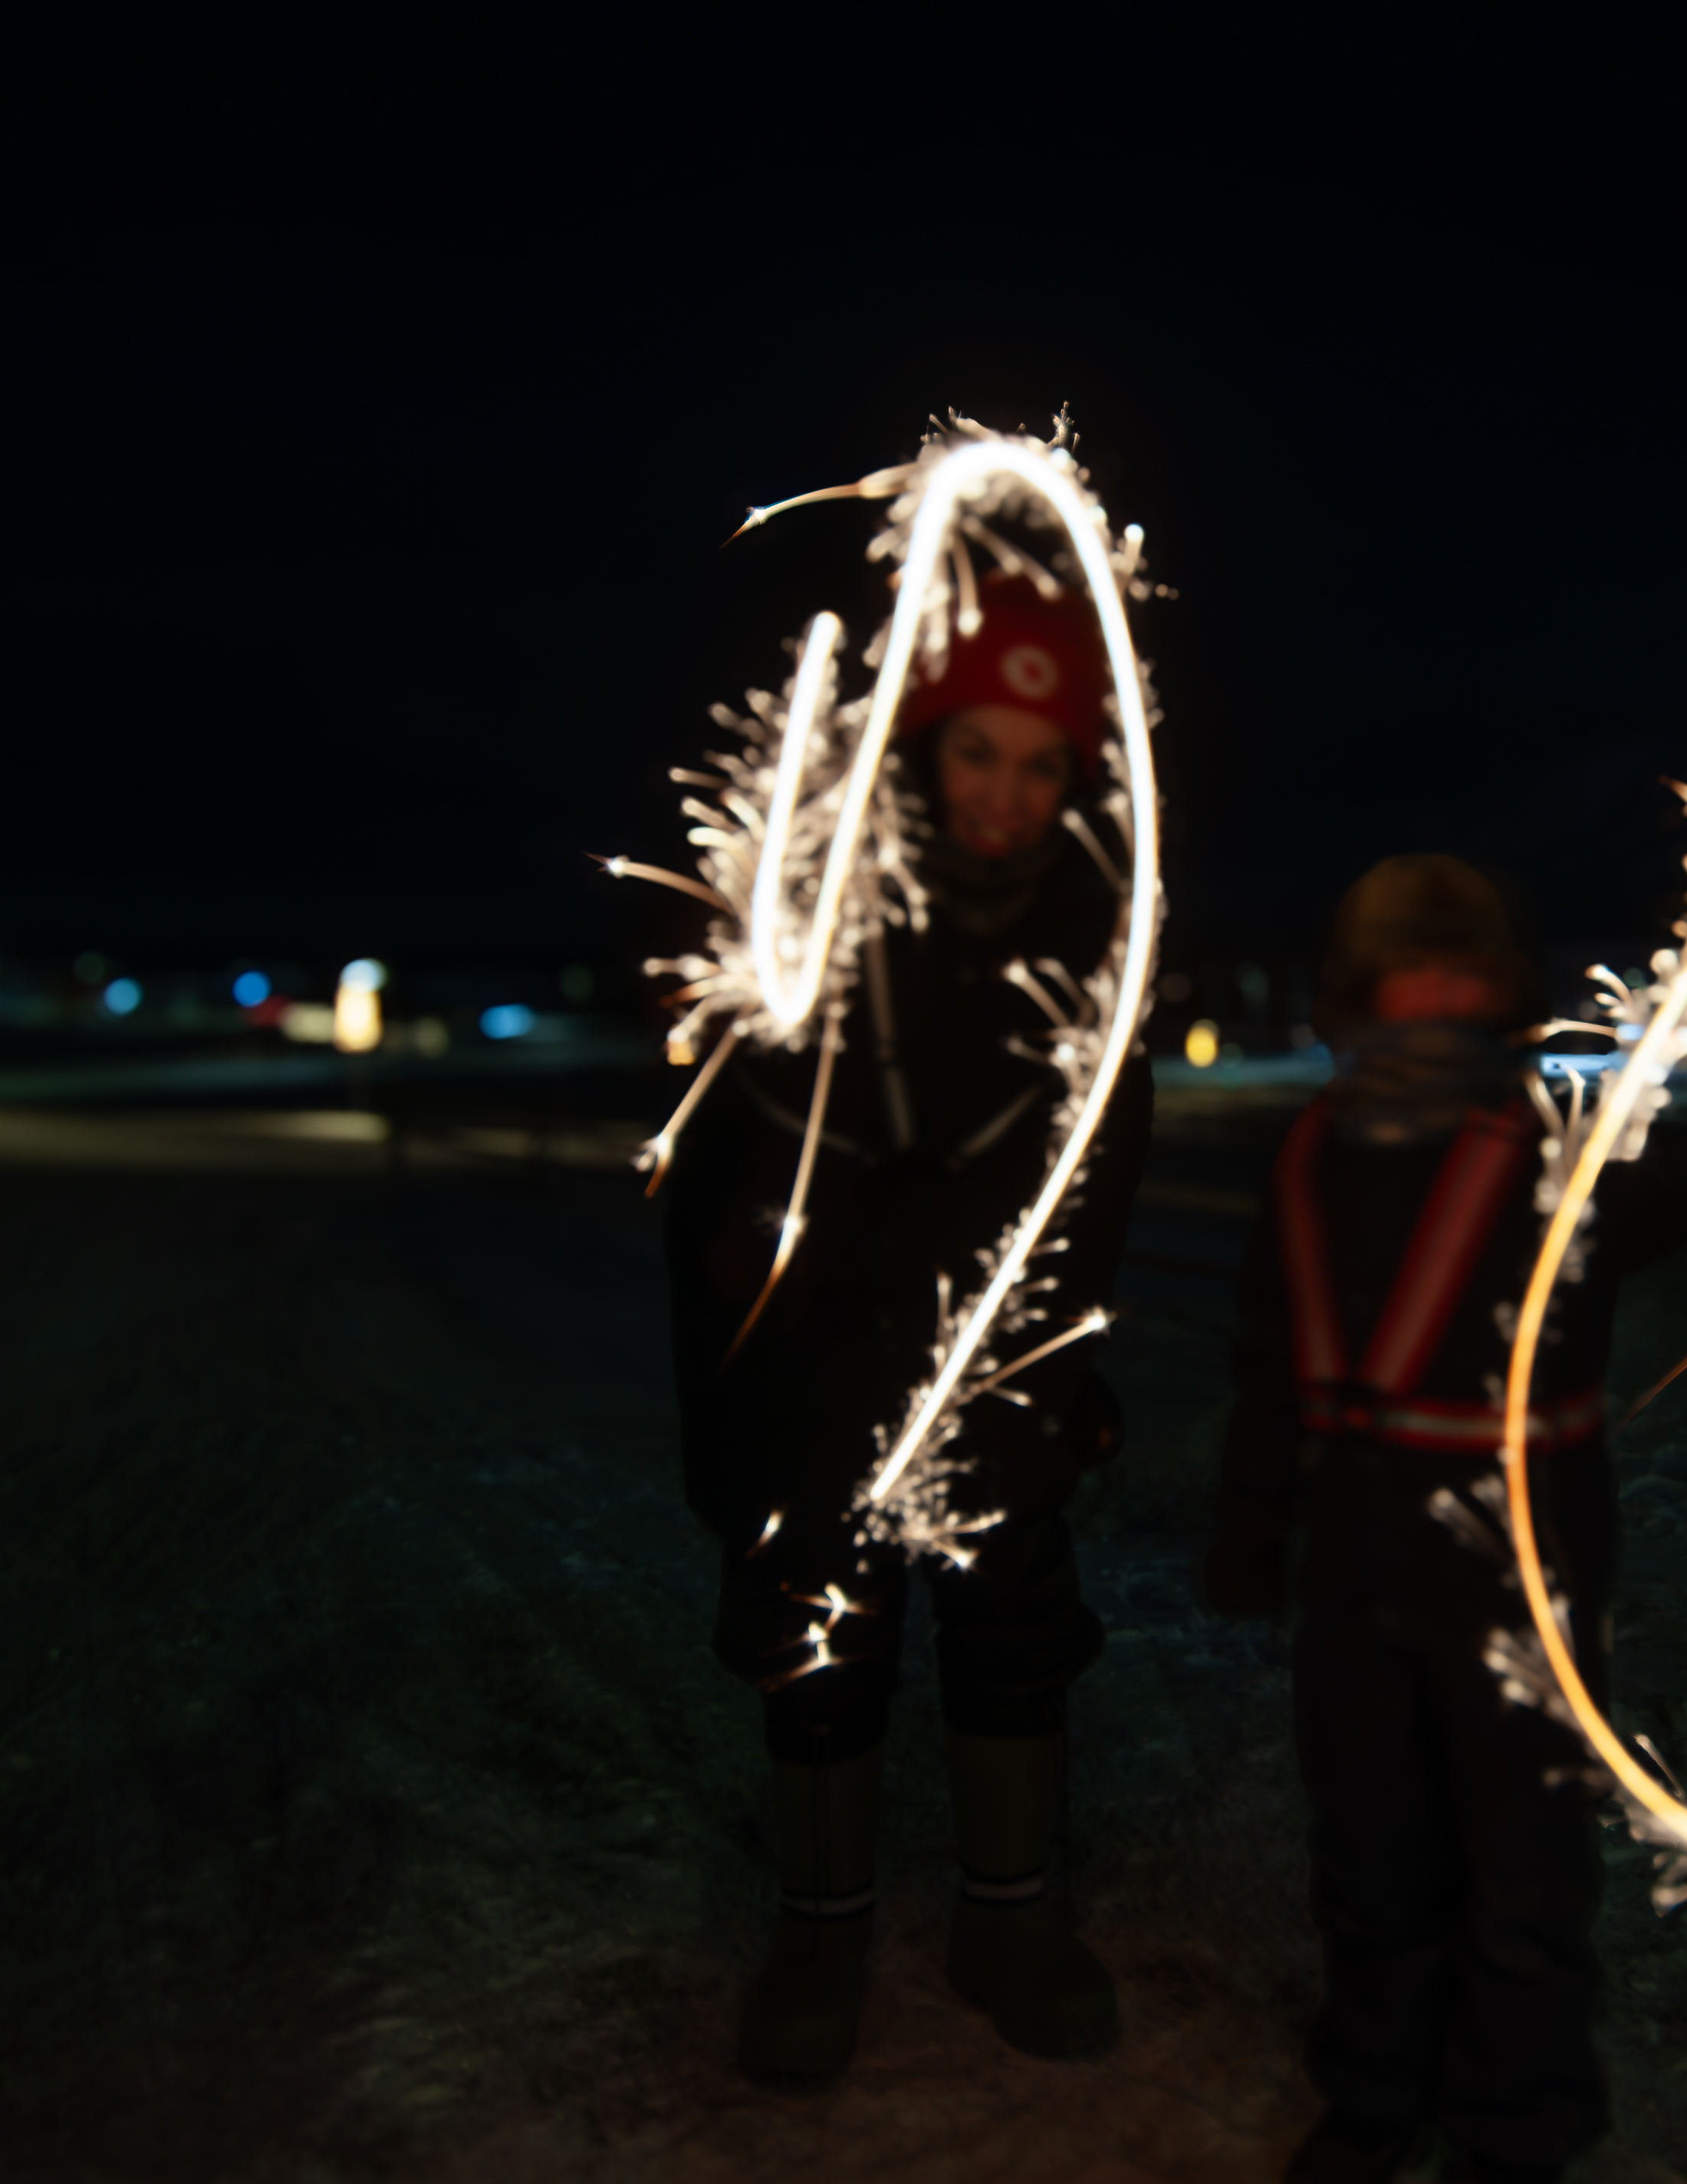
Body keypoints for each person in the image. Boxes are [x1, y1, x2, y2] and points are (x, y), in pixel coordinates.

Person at [665, 574, 1152, 2082]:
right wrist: (732, 1402)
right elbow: (714, 1192)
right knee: (820, 1650)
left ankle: (1012, 1922)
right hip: (816, 1381)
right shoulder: (810, 923)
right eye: (976, 750)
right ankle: (820, 1935)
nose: (1004, 792)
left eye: (1041, 763)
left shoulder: (1097, 948)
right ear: (922, 748)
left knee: (1014, 1634)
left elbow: (1097, 1187)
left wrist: (1055, 1371)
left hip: (992, 1378)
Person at [1212, 857, 1687, 2184]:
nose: (1431, 1004)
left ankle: (1514, 2126)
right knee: (1371, 1849)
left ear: (1501, 996)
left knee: (1521, 1868)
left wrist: (1631, 1153)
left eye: (1458, 979)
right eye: (1406, 981)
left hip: (1517, 1567)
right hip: (1357, 1557)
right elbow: (1271, 1353)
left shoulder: (1553, 1156)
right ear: (1360, 997)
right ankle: (1379, 2091)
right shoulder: (1315, 1153)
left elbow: (1672, 1208)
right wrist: (1252, 1526)